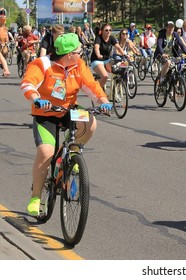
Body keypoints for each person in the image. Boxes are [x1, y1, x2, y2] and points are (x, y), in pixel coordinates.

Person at [20, 33, 112, 216]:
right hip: (45, 112)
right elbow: (28, 85)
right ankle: (36, 197)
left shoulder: (79, 65)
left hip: (68, 109)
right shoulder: (42, 64)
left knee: (90, 122)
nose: (81, 53)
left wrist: (103, 101)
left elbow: (91, 86)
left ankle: (73, 152)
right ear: (69, 54)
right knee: (46, 151)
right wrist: (36, 99)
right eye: (79, 50)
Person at [90, 23, 125, 88]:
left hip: (107, 60)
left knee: (117, 71)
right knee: (105, 76)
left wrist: (125, 54)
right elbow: (96, 47)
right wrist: (98, 55)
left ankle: (115, 90)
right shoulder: (99, 38)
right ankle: (96, 90)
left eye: (110, 30)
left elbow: (118, 47)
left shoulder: (111, 38)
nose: (108, 32)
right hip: (97, 60)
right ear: (102, 31)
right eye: (106, 30)